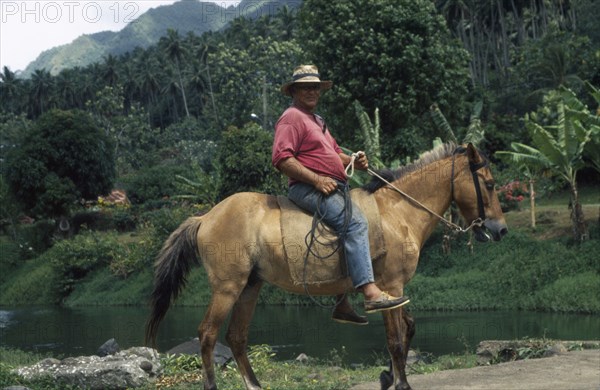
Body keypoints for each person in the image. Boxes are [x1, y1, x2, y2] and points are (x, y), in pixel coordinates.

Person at [272, 65, 409, 325]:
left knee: (345, 226)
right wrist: (316, 179)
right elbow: (281, 159)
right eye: (305, 87)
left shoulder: (317, 120)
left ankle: (341, 301)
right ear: (295, 91)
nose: (312, 91)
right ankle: (370, 293)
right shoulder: (291, 117)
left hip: (332, 185)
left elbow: (335, 154)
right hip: (307, 187)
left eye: (315, 87)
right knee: (354, 223)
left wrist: (354, 161)